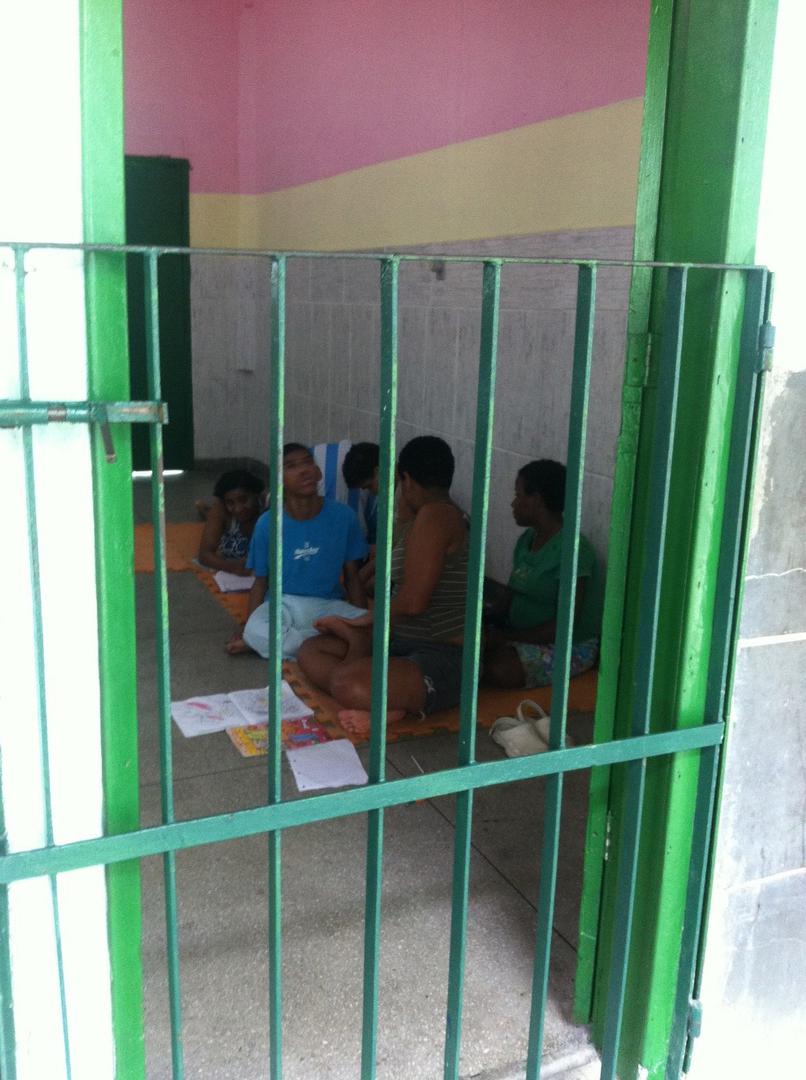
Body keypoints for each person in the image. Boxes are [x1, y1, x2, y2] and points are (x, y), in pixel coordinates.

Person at [297, 435, 469, 737]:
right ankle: (379, 684)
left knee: (346, 683)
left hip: (441, 653)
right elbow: (391, 552)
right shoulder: (415, 514)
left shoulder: (438, 515)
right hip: (400, 640)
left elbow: (413, 602)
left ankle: (392, 704)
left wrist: (364, 619)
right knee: (310, 650)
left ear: (408, 478)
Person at [226, 443, 369, 659]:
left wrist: (362, 620)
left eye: (307, 462)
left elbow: (352, 577)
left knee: (379, 629)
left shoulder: (344, 516)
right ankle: (325, 639)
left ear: (318, 473)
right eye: (291, 466)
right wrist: (247, 627)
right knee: (256, 629)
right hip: (282, 605)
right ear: (279, 480)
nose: (303, 470)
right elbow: (261, 582)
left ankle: (289, 643)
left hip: (329, 606)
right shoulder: (267, 524)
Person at [483, 459, 602, 688]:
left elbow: (564, 625)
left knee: (498, 670)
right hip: (521, 636)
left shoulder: (572, 550)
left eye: (518, 496)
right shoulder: (527, 540)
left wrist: (508, 638)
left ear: (537, 500)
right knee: (467, 649)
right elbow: (510, 595)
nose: (513, 503)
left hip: (567, 645)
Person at [197, 469, 265, 575]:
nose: (238, 508)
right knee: (211, 516)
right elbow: (204, 555)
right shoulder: (220, 508)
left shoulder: (268, 507)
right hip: (221, 520)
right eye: (230, 503)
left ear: (255, 495)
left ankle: (204, 509)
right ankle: (203, 509)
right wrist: (232, 567)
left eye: (243, 500)